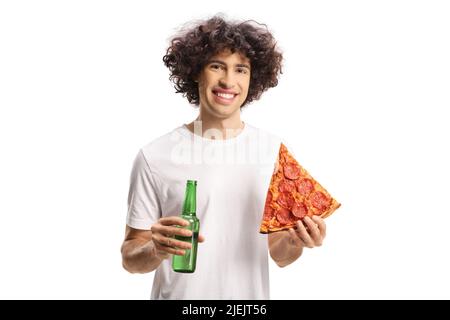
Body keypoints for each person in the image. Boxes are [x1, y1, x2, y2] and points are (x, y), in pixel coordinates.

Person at [121, 15, 326, 300]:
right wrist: (155, 248)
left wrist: (295, 240)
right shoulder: (154, 156)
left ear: (253, 78)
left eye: (240, 69)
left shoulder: (271, 152)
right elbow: (130, 257)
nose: (229, 80)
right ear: (195, 72)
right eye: (217, 66)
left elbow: (280, 254)